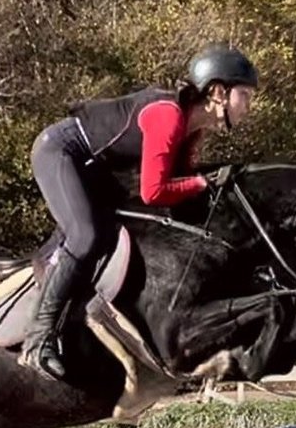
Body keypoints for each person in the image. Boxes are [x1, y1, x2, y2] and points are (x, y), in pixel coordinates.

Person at [19, 45, 259, 381]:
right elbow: (154, 191)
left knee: (119, 229)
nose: (249, 106)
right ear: (218, 93)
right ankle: (38, 340)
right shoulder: (170, 117)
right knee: (86, 234)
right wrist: (202, 184)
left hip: (94, 169)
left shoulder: (194, 129)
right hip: (62, 152)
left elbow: (177, 191)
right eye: (244, 95)